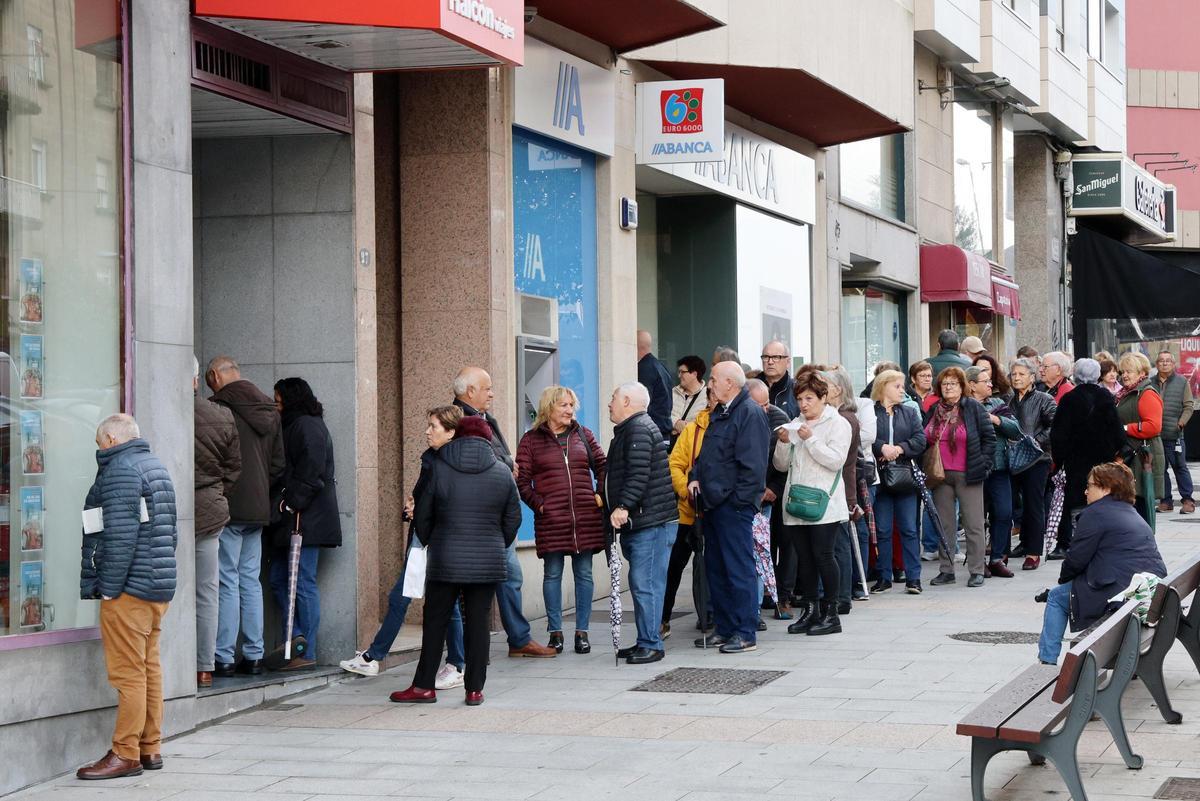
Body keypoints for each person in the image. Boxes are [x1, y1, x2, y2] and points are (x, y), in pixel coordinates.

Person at [390, 416, 522, 706]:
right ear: (488, 440)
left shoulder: (439, 468)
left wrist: (432, 540)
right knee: (478, 623)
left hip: (445, 559)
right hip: (487, 560)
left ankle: (424, 686)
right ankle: (474, 689)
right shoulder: (501, 472)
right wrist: (495, 543)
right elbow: (514, 519)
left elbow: (423, 514)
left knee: (435, 621)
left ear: (458, 437)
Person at [76, 414, 177, 780]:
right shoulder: (155, 467)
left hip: (129, 590)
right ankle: (150, 748)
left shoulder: (121, 470)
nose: (99, 450)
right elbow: (169, 533)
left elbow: (120, 538)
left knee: (128, 674)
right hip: (156, 587)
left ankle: (125, 753)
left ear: (111, 440)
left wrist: (109, 587)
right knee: (149, 668)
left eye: (100, 443)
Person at [339, 406, 467, 689]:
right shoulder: (433, 459)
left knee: (417, 600)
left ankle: (377, 657)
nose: (427, 431)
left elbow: (446, 502)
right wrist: (413, 507)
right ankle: (451, 663)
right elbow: (427, 497)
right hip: (425, 537)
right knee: (417, 600)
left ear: (451, 432)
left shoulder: (449, 462)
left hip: (435, 540)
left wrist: (420, 510)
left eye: (433, 426)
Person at [453, 367, 556, 658]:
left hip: (498, 515)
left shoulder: (485, 417)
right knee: (496, 578)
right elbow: (471, 460)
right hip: (481, 517)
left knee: (511, 576)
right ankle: (473, 646)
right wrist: (504, 466)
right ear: (470, 391)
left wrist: (508, 462)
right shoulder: (458, 419)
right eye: (487, 388)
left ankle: (518, 638)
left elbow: (497, 452)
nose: (492, 393)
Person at [1037, 462, 1166, 664]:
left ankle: (1046, 662)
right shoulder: (1131, 512)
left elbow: (1075, 560)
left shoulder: (1095, 514)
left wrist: (1064, 582)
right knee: (1065, 593)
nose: (1085, 491)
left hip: (1118, 592)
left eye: (1090, 486)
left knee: (1056, 597)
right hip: (1145, 590)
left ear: (1106, 488)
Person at [207, 356, 284, 677]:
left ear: (214, 376)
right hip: (258, 510)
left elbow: (214, 461)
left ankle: (223, 656)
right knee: (250, 581)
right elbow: (279, 464)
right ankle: (254, 655)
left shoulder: (218, 408)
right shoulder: (269, 409)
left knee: (227, 580)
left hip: (229, 506)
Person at [516, 386, 607, 655]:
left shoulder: (583, 435)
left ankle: (582, 632)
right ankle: (555, 632)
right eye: (564, 405)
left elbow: (603, 466)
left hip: (585, 519)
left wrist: (600, 496)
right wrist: (540, 505)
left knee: (585, 575)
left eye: (572, 405)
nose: (570, 410)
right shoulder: (531, 440)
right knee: (552, 574)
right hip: (552, 520)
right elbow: (522, 481)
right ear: (549, 409)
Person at [690, 362, 770, 653]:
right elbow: (706, 456)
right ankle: (724, 628)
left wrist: (739, 502)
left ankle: (745, 632)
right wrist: (694, 478)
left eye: (713, 379)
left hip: (733, 507)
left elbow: (753, 466)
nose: (709, 384)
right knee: (717, 569)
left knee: (738, 569)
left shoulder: (748, 413)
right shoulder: (721, 413)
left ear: (729, 383)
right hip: (713, 504)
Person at [266, 378, 342, 670]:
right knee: (281, 579)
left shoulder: (306, 425)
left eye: (279, 399)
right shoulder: (301, 423)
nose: (276, 404)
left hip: (303, 518)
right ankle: (296, 639)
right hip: (299, 517)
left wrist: (291, 502)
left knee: (302, 582)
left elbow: (312, 471)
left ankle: (305, 650)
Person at [774, 369, 853, 636]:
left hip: (824, 503)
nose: (803, 404)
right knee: (804, 560)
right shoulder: (796, 422)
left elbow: (835, 460)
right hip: (796, 500)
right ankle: (810, 610)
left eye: (809, 398)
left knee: (823, 556)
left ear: (823, 398)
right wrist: (784, 443)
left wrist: (810, 439)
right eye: (799, 399)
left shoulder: (837, 423)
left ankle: (832, 613)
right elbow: (781, 465)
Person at [607, 382, 678, 664]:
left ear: (626, 401)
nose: (609, 403)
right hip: (647, 522)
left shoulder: (637, 428)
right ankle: (646, 640)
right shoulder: (636, 427)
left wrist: (623, 506)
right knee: (644, 583)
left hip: (650, 523)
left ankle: (651, 643)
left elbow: (638, 474)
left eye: (613, 398)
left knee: (645, 583)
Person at [192, 356, 241, 689]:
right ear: (196, 380)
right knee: (208, 591)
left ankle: (171, 661)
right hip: (210, 510)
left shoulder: (159, 411)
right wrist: (214, 491)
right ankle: (204, 666)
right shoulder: (220, 414)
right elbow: (233, 467)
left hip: (170, 511)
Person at [1047, 359, 1126, 560]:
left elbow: (1058, 435)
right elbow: (1117, 432)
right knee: (1102, 498)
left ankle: (1065, 543)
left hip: (1076, 460)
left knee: (1069, 501)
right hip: (1102, 460)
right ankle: (1102, 539)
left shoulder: (1069, 399)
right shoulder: (1106, 397)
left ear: (1076, 374)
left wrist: (1060, 459)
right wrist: (1111, 452)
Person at [924, 367, 995, 588]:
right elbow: (923, 436)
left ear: (962, 385)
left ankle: (976, 569)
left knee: (973, 523)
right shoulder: (934, 409)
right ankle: (947, 570)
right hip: (940, 475)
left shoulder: (972, 407)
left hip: (968, 473)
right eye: (945, 383)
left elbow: (989, 439)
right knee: (944, 525)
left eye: (953, 383)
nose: (948, 387)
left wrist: (983, 466)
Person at [666, 384, 718, 636]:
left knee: (713, 566)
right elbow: (675, 463)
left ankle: (710, 614)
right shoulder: (693, 430)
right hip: (688, 511)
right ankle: (663, 618)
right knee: (675, 565)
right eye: (713, 395)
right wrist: (684, 488)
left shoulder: (732, 426)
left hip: (718, 512)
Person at [870, 369, 927, 593]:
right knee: (883, 530)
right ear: (883, 387)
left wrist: (899, 449)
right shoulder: (871, 413)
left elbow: (920, 440)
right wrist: (881, 446)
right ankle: (884, 577)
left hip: (904, 476)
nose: (903, 390)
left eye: (902, 386)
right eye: (897, 386)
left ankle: (914, 578)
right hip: (881, 478)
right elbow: (865, 437)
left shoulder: (910, 413)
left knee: (909, 529)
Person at [967, 365, 1021, 578]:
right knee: (976, 517)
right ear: (971, 386)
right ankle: (979, 562)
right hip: (973, 470)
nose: (991, 384)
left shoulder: (997, 404)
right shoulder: (963, 406)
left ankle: (997, 557)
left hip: (998, 468)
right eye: (985, 381)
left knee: (1004, 512)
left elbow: (1016, 430)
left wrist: (995, 419)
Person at [820, 367, 864, 615]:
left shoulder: (845, 419)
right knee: (836, 543)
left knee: (839, 543)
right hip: (837, 488)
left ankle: (842, 597)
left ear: (836, 389)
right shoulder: (836, 416)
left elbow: (846, 463)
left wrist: (850, 499)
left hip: (839, 489)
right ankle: (838, 596)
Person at [1009, 357, 1056, 569]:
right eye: (1014, 374)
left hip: (1037, 459)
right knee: (1012, 504)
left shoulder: (1044, 399)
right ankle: (1022, 543)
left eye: (1021, 374)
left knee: (1034, 504)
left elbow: (1054, 426)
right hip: (1012, 457)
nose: (1017, 378)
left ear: (1031, 377)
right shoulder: (1007, 400)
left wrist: (1036, 442)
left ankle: (1034, 552)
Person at [1116, 352, 1166, 526]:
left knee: (1141, 502)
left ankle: (1143, 544)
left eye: (1130, 371)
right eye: (1123, 372)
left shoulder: (1146, 394)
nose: (1125, 375)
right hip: (1132, 453)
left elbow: (1153, 426)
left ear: (1142, 373)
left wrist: (1124, 428)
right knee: (1133, 501)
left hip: (1142, 455)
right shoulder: (1128, 392)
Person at [1153, 351, 1195, 514]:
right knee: (1160, 468)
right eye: (1161, 361)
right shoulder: (1150, 383)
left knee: (1180, 467)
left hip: (1175, 435)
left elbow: (1189, 406)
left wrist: (1181, 422)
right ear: (1156, 364)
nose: (1164, 363)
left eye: (1168, 361)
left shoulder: (1182, 381)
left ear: (1173, 363)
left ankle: (1187, 500)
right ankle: (1166, 501)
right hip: (1155, 435)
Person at [637, 330, 674, 440]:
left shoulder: (644, 368)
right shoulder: (661, 367)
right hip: (663, 431)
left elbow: (642, 405)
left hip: (651, 433)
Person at [671, 355, 708, 439]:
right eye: (679, 372)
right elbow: (663, 415)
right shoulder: (673, 392)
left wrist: (686, 428)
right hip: (671, 447)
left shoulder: (707, 396)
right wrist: (676, 422)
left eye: (682, 372)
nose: (679, 376)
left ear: (694, 374)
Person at [760, 340, 799, 419]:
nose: (770, 362)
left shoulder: (797, 390)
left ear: (788, 362)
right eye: (766, 357)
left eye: (776, 357)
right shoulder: (750, 389)